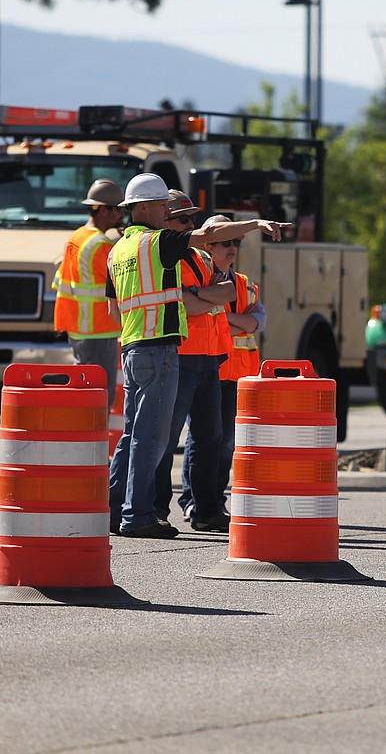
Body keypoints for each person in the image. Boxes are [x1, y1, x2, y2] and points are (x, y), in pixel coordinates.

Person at [106, 173, 290, 538]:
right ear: (143, 207)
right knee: (152, 438)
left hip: (134, 345)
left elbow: (115, 310)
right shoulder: (157, 243)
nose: (167, 213)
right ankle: (139, 514)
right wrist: (255, 223)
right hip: (160, 346)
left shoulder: (118, 251)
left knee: (136, 435)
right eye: (163, 207)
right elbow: (207, 237)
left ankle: (116, 509)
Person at [153, 192, 234, 532]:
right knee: (165, 438)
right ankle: (155, 508)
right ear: (165, 223)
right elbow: (189, 305)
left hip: (209, 357)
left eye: (192, 219)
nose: (191, 225)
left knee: (208, 437)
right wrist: (206, 296)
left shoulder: (200, 258)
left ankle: (206, 510)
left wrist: (202, 296)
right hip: (181, 355)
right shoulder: (165, 259)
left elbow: (228, 291)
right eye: (183, 220)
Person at [179, 214, 265, 522]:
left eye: (236, 242)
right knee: (200, 439)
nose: (232, 248)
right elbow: (189, 307)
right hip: (208, 365)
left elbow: (258, 322)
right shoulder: (198, 275)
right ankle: (193, 500)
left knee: (224, 442)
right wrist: (232, 317)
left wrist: (220, 310)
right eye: (225, 242)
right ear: (207, 245)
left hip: (236, 374)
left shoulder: (243, 284)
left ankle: (214, 499)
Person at [53, 178, 125, 403]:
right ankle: (92, 439)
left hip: (78, 328)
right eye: (117, 210)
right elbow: (121, 283)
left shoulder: (77, 237)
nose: (121, 215)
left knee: (85, 395)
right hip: (98, 329)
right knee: (99, 398)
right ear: (103, 210)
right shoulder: (102, 245)